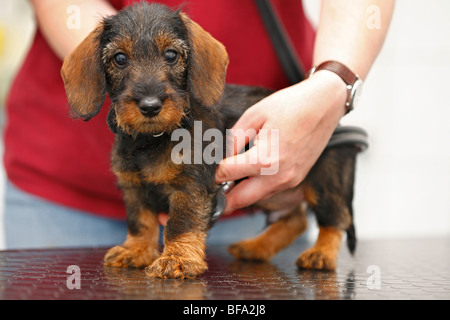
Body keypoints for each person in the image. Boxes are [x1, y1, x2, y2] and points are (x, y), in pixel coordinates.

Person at [3, 0, 394, 249]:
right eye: (119, 60)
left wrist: (333, 82)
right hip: (61, 196)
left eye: (171, 55)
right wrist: (117, 61)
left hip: (255, 187)